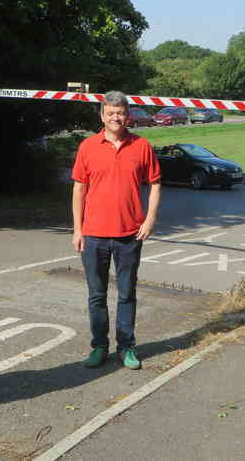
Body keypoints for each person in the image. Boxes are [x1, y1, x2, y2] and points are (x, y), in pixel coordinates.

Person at [71, 91, 161, 370]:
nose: (115, 117)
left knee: (126, 294)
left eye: (120, 112)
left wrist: (149, 220)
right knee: (96, 295)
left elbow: (155, 184)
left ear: (128, 115)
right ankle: (99, 346)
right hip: (94, 234)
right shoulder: (88, 146)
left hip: (129, 235)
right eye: (110, 113)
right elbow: (79, 189)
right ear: (102, 116)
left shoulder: (142, 146)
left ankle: (127, 347)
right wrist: (77, 229)